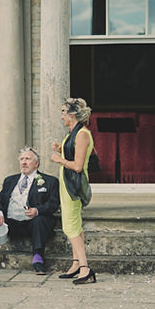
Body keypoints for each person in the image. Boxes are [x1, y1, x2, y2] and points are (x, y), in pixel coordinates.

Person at [0, 147, 59, 274]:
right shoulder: (10, 180)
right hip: (10, 223)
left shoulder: (50, 181)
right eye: (21, 159)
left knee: (41, 219)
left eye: (28, 159)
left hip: (32, 224)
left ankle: (38, 258)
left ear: (36, 163)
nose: (24, 162)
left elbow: (53, 204)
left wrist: (37, 210)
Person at [51, 97, 96, 284]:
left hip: (74, 184)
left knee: (70, 225)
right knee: (73, 224)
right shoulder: (72, 134)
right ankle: (77, 262)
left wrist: (59, 159)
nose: (61, 117)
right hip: (67, 183)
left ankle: (85, 267)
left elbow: (78, 166)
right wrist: (61, 149)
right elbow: (73, 153)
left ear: (72, 115)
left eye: (63, 112)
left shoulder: (82, 134)